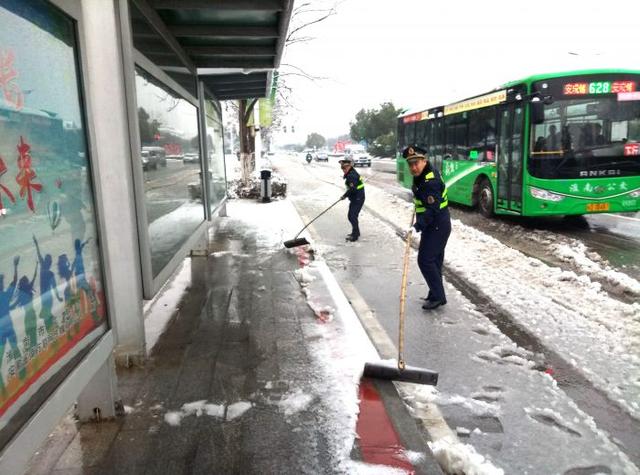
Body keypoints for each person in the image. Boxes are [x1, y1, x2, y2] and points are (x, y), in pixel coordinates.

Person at [402, 145, 451, 310]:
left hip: (436, 224)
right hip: (437, 223)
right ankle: (434, 293)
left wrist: (417, 226)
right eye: (410, 164)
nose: (413, 167)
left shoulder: (431, 181)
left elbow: (432, 209)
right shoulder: (423, 175)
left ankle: (438, 296)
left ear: (425, 161)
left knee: (425, 260)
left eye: (416, 163)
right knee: (435, 260)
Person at [339, 156, 365, 241]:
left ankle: (355, 236)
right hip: (356, 198)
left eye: (344, 168)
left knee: (352, 216)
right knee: (351, 216)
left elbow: (352, 189)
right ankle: (356, 232)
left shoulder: (351, 175)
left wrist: (344, 196)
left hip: (358, 198)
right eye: (342, 168)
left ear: (349, 166)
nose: (343, 170)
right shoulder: (351, 173)